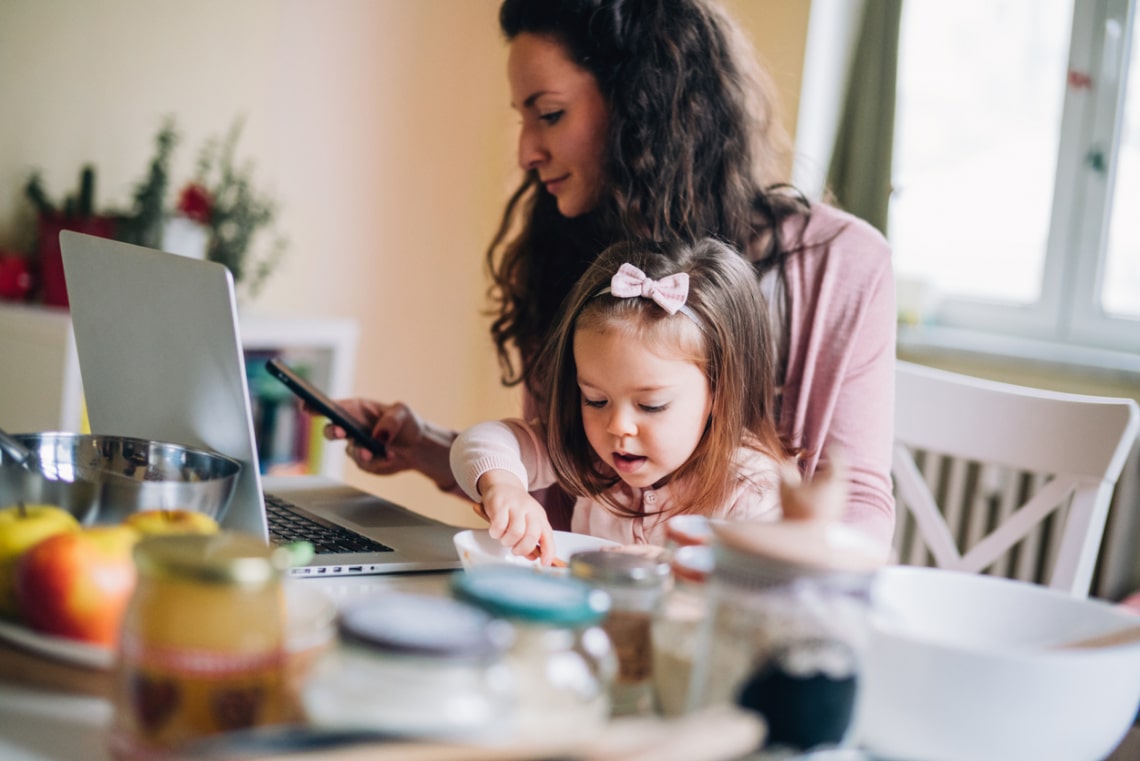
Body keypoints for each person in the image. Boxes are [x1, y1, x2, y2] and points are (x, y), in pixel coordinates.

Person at [324, 0, 897, 550]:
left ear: (638, 102)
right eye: (523, 120)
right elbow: (564, 477)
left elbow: (855, 509)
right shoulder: (572, 261)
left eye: (549, 114)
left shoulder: (840, 266)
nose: (525, 151)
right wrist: (427, 447)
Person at [450, 238, 791, 561]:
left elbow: (766, 588)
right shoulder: (592, 455)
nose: (617, 426)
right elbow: (481, 442)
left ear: (720, 393)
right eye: (596, 400)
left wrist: (671, 566)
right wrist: (504, 486)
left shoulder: (753, 489)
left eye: (651, 405)